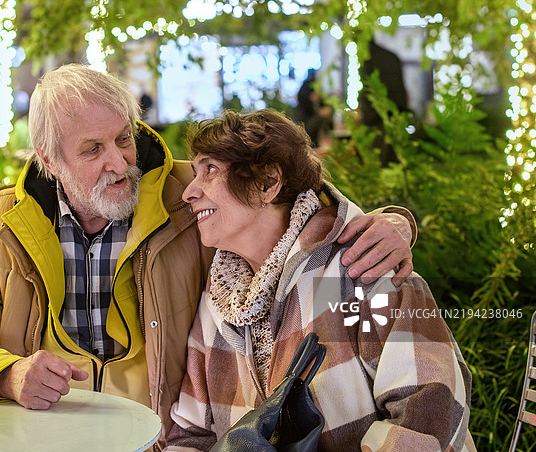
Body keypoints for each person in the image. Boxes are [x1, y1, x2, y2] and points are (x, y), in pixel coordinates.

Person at [0, 64, 417, 450]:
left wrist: (393, 223)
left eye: (124, 139)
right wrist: (6, 374)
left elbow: (284, 192)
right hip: (44, 436)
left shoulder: (186, 195)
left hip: (154, 437)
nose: (119, 162)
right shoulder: (7, 222)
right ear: (49, 161)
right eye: (92, 150)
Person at [166, 109, 473, 451]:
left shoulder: (367, 270)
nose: (189, 192)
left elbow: (429, 414)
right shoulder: (219, 301)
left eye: (209, 170)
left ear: (267, 182)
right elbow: (192, 435)